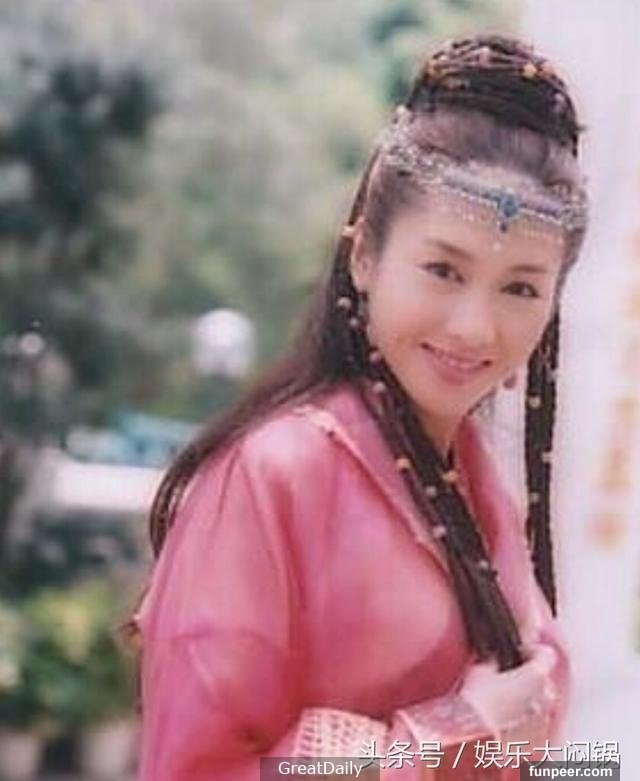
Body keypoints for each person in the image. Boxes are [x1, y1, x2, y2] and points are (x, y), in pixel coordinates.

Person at [133, 34, 589, 780]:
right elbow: (195, 769)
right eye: (443, 269)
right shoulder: (273, 475)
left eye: (520, 288)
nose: (474, 327)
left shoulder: (481, 491)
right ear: (364, 258)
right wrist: (443, 731)